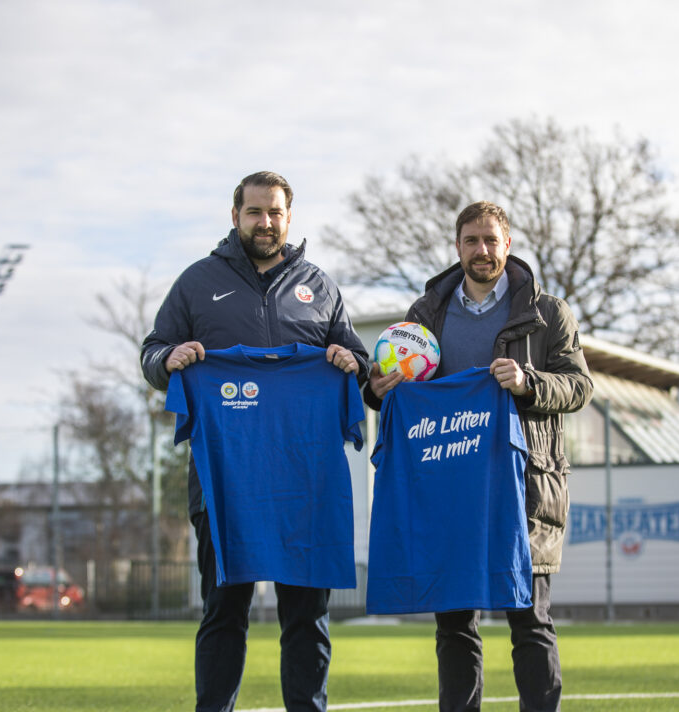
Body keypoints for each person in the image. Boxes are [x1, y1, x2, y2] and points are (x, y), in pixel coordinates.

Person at [141, 171, 368, 712]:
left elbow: (359, 360)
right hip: (224, 480)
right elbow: (153, 350)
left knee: (307, 616)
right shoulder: (197, 283)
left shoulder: (321, 286)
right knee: (223, 611)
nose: (265, 223)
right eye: (254, 212)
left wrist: (350, 362)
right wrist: (166, 362)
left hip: (304, 482)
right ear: (235, 216)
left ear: (289, 218)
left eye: (275, 213)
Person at [366, 200, 593, 712]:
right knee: (454, 627)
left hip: (523, 486)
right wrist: (377, 390)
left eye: (491, 240)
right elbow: (393, 391)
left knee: (530, 621)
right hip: (448, 490)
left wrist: (528, 382)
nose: (482, 250)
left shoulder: (547, 312)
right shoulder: (424, 317)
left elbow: (580, 387)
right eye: (472, 240)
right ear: (458, 247)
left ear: (507, 245)